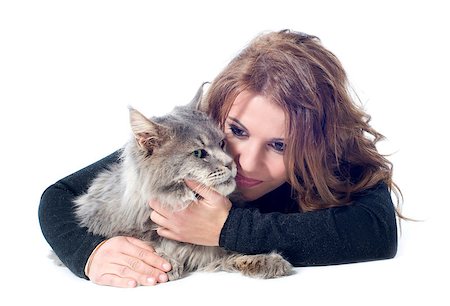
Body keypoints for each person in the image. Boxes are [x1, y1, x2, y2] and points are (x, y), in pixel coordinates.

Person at [39, 30, 402, 288]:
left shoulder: (331, 157)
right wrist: (88, 253)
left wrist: (228, 229)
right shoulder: (197, 130)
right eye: (238, 132)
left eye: (279, 146)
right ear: (218, 111)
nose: (242, 162)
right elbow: (56, 196)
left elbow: (378, 233)